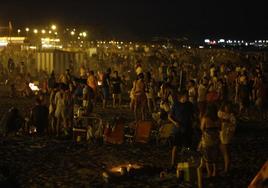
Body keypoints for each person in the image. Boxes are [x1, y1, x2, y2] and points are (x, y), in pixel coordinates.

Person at [168, 92, 194, 167]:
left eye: (188, 96)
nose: (188, 97)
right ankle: (173, 163)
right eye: (186, 96)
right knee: (176, 146)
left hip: (187, 128)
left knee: (186, 147)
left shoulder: (189, 105)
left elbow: (192, 115)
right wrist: (175, 122)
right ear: (181, 97)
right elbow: (169, 116)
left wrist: (194, 122)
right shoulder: (176, 105)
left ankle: (183, 163)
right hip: (178, 129)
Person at [199, 104, 220, 177]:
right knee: (215, 156)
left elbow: (201, 128)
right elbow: (220, 128)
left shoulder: (205, 118)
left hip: (207, 140)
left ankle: (209, 173)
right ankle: (215, 172)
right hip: (216, 139)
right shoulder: (217, 119)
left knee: (207, 157)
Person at [218, 102, 236, 174]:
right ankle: (225, 166)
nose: (228, 108)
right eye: (226, 107)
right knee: (222, 151)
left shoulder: (232, 116)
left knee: (226, 152)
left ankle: (226, 169)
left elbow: (233, 128)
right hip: (220, 135)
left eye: (229, 107)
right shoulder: (220, 113)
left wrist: (227, 122)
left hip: (226, 136)